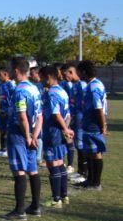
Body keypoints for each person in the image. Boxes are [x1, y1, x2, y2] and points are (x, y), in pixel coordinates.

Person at [1, 57, 43, 221]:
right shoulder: (34, 89)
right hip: (33, 134)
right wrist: (35, 135)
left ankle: (19, 210)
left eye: (9, 69)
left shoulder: (20, 91)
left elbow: (22, 117)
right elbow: (40, 116)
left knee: (19, 170)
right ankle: (35, 206)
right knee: (33, 170)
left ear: (16, 70)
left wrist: (26, 136)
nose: (8, 72)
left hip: (20, 135)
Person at [41, 66, 74, 208]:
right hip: (59, 130)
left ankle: (56, 199)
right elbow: (67, 114)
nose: (41, 80)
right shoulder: (62, 91)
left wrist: (64, 129)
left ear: (48, 77)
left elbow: (56, 114)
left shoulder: (52, 93)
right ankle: (64, 196)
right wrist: (65, 128)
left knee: (52, 163)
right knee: (60, 162)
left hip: (52, 131)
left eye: (42, 77)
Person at [75, 60, 108, 191]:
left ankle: (96, 182)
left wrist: (103, 125)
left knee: (95, 153)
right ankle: (89, 179)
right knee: (89, 152)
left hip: (94, 123)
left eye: (78, 72)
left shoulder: (94, 87)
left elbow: (98, 108)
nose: (78, 74)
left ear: (83, 72)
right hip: (89, 122)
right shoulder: (92, 85)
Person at [63, 62, 88, 184]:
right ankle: (80, 171)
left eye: (66, 74)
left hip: (80, 120)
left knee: (81, 145)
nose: (65, 77)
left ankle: (84, 173)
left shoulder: (82, 85)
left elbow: (85, 104)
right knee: (78, 145)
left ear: (71, 72)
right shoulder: (74, 85)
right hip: (74, 119)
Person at [0, 66, 16, 157]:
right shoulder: (2, 85)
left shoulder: (11, 85)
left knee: (8, 131)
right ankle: (3, 148)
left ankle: (8, 149)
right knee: (2, 130)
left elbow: (14, 99)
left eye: (0, 75)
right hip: (2, 110)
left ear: (6, 75)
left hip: (9, 112)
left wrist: (10, 110)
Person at [29, 66, 45, 164]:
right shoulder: (32, 85)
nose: (30, 76)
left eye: (32, 74)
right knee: (34, 134)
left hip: (41, 114)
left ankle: (38, 156)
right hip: (34, 113)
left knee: (39, 135)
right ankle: (35, 155)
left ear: (37, 74)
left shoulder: (43, 85)